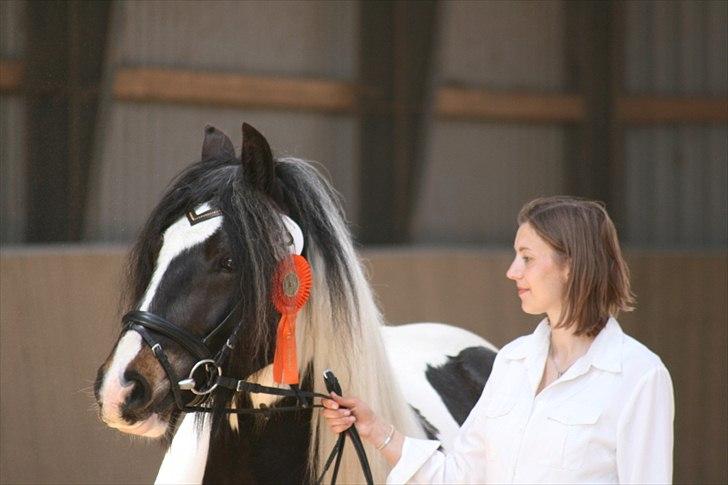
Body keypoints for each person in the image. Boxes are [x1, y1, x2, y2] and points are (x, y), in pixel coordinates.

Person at [322, 196, 674, 484]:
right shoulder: (510, 362)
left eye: (527, 258)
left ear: (571, 265)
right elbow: (458, 477)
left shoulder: (639, 376)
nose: (512, 271)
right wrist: (375, 429)